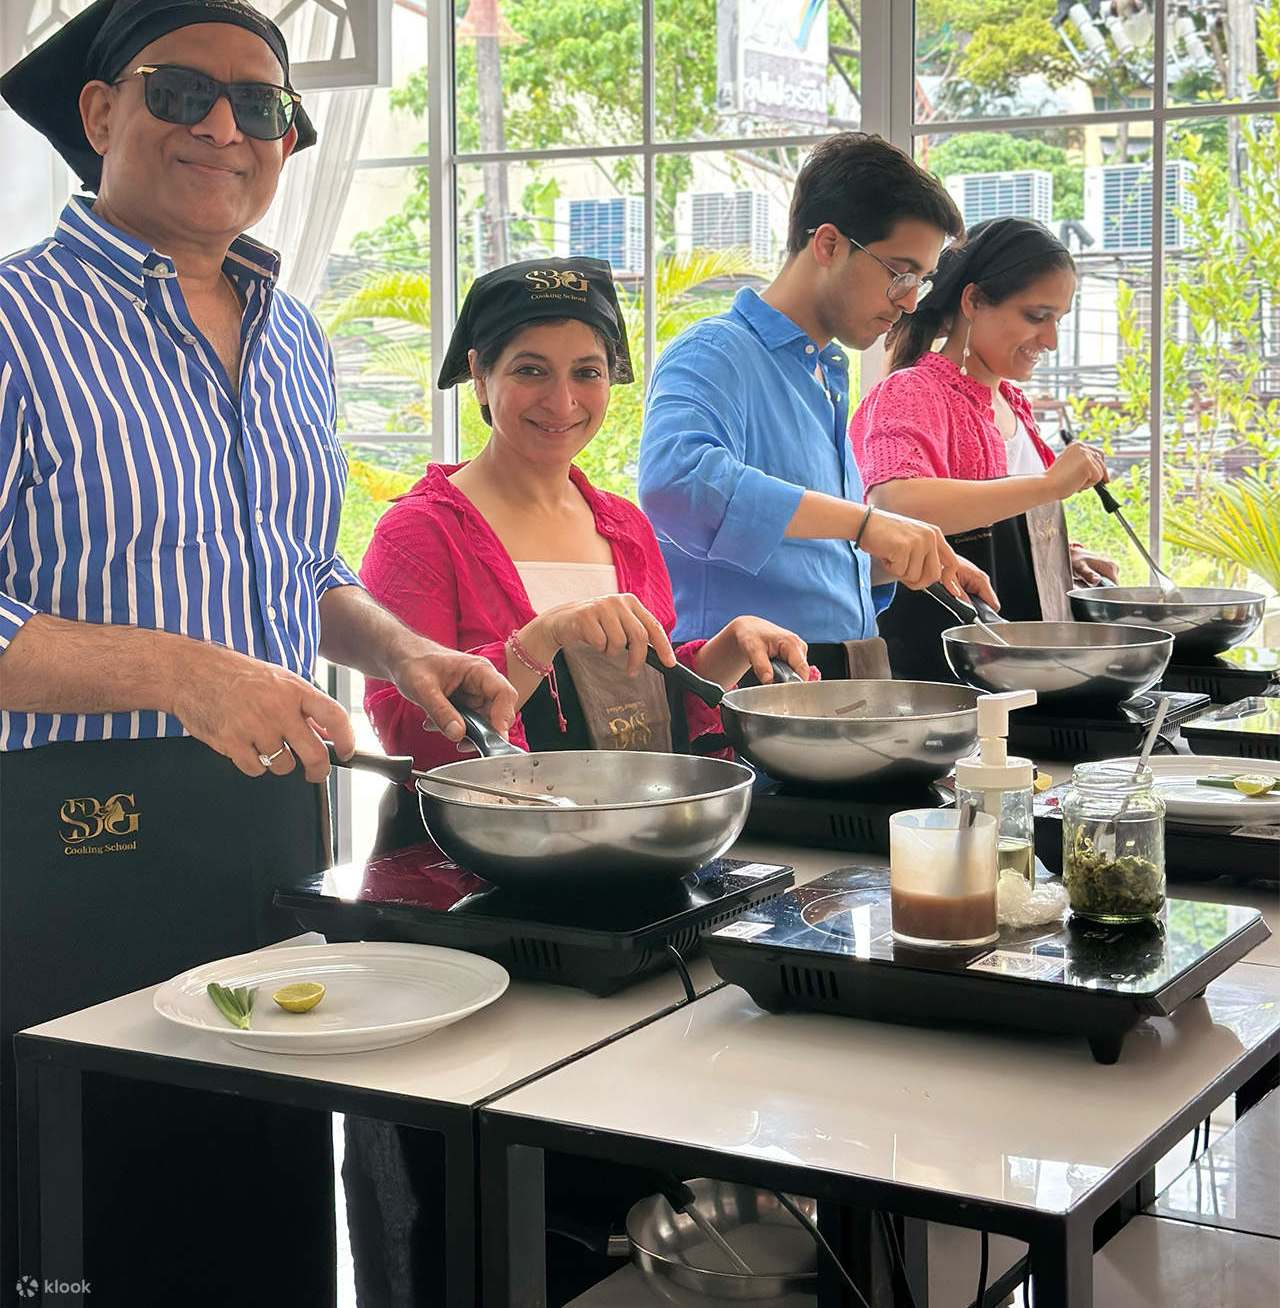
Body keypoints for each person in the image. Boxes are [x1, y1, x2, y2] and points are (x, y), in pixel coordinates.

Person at [0, 0, 516, 1308]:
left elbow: (295, 566)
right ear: (101, 111)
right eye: (182, 93)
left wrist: (402, 650)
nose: (225, 126)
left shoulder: (295, 338)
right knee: (89, 1211)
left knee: (263, 1192)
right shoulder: (14, 324)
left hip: (268, 828)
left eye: (263, 105)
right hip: (64, 845)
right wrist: (175, 671)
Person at [359, 255, 810, 852]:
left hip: (630, 851)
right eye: (531, 370)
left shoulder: (626, 526)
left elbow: (639, 716)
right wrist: (538, 642)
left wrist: (724, 654)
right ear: (479, 375)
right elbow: (405, 735)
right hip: (474, 863)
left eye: (587, 373)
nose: (563, 400)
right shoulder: (419, 534)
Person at [637, 133, 999, 683]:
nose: (908, 301)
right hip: (748, 685)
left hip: (838, 671)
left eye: (921, 282)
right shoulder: (715, 352)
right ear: (828, 244)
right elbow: (677, 482)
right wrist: (867, 524)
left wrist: (907, 554)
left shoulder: (826, 372)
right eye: (899, 272)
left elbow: (804, 551)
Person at [849, 214, 1119, 678]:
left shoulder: (1013, 403)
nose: (1051, 340)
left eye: (1058, 320)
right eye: (1037, 317)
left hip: (1011, 664)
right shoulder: (912, 392)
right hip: (941, 673)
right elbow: (894, 502)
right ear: (972, 300)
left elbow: (1000, 526)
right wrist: (1049, 484)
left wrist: (1058, 556)